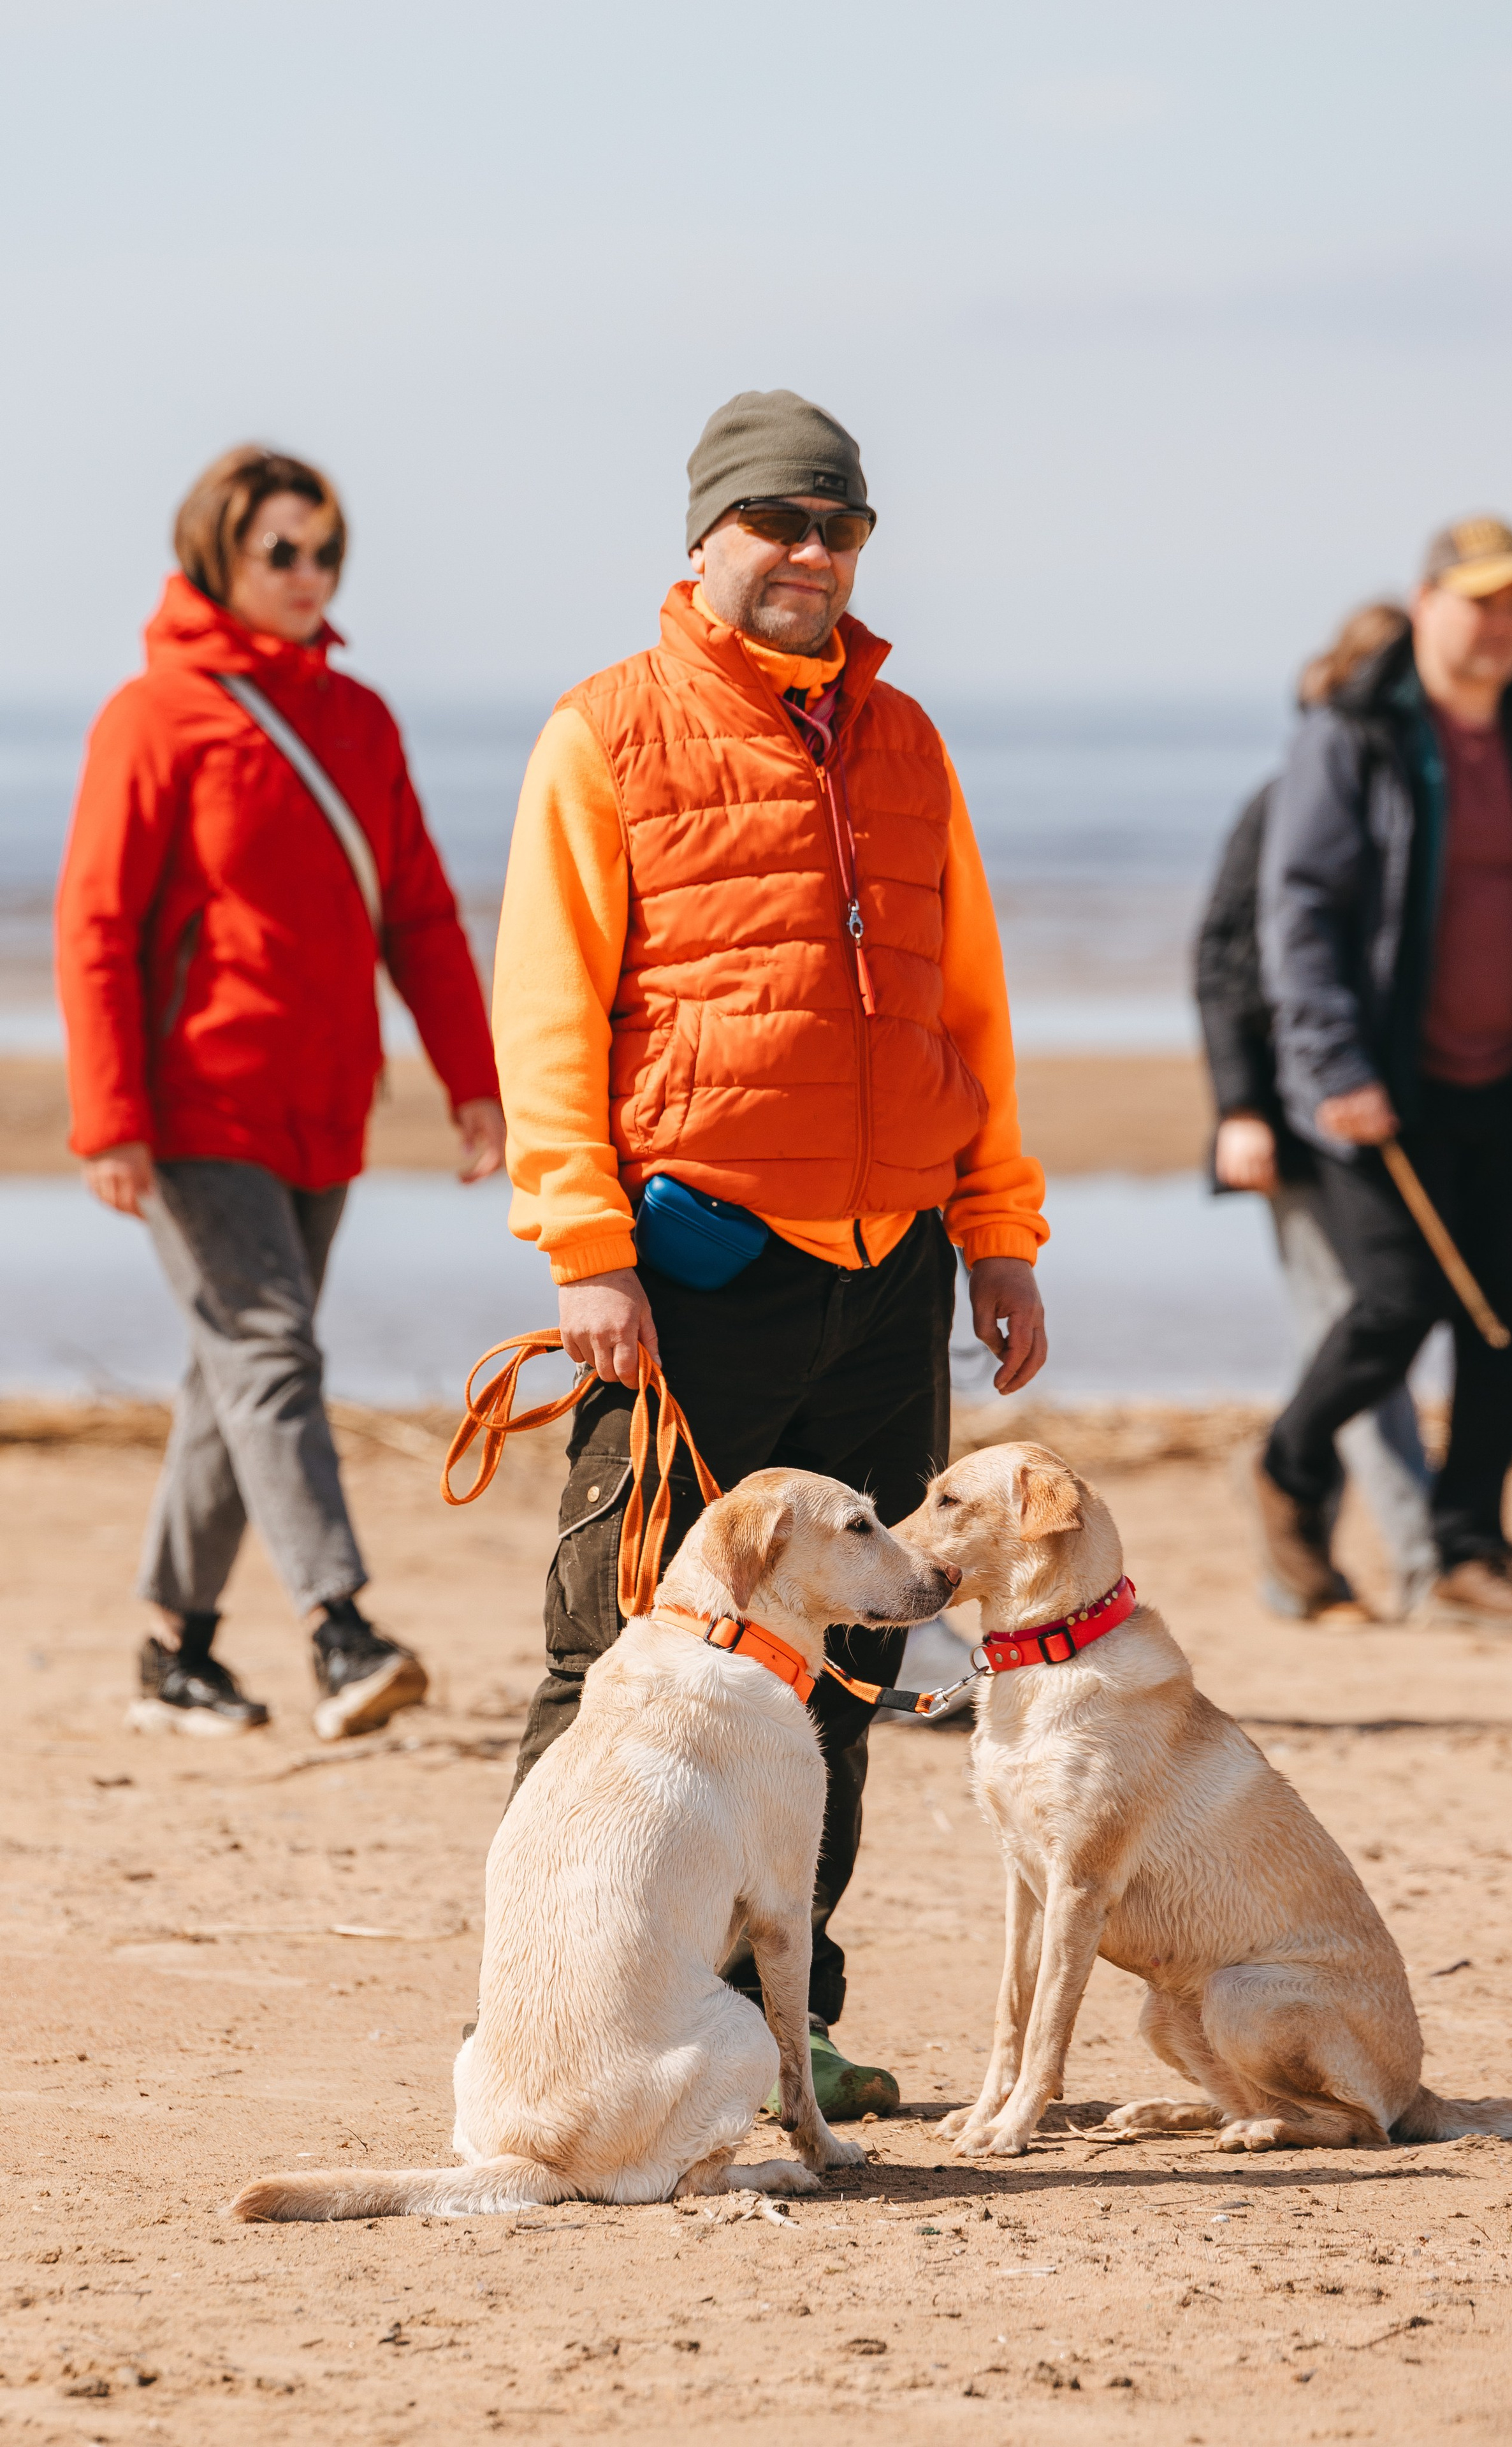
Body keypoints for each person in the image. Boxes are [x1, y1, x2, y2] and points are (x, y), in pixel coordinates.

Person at [490, 390, 1048, 2112]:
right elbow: (548, 1010)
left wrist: (1000, 1229)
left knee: (857, 1649)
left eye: (841, 527)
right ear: (706, 538)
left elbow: (972, 1000)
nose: (813, 554)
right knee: (625, 1651)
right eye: (781, 523)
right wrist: (586, 1244)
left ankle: (782, 2014)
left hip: (891, 1270)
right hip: (696, 1267)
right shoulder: (605, 734)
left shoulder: (908, 737)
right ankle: (538, 2012)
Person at [57, 445, 504, 1736]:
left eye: (325, 553)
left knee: (232, 1375)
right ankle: (340, 1626)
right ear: (218, 555)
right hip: (195, 1106)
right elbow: (95, 924)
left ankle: (172, 1649)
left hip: (324, 1105)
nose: (309, 576)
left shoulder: (358, 719)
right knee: (271, 1352)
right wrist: (110, 1119)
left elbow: (415, 912)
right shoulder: (155, 716)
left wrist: (469, 1081)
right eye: (281, 553)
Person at [1254, 516, 1512, 1630]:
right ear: (1426, 604)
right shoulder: (1355, 732)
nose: (1499, 623)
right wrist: (1332, 1064)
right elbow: (1299, 907)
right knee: (1399, 1301)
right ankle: (1287, 1467)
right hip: (1381, 1082)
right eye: (1478, 600)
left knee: (1504, 1332)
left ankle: (1468, 1553)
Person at [1196, 601, 1437, 1621]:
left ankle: (1312, 1573)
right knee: (1353, 1328)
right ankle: (1412, 1561)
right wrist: (1242, 1106)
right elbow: (1225, 958)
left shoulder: (1418, 804)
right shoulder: (1291, 793)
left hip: (1378, 1115)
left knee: (1350, 1336)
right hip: (1291, 1124)